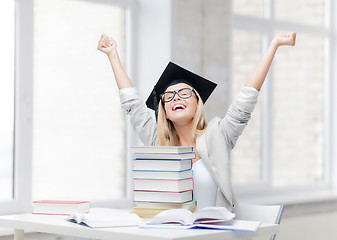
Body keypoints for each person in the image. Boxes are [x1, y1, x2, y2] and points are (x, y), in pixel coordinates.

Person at [97, 32, 296, 211]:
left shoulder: (219, 134)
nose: (176, 97)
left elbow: (246, 99)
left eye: (184, 93)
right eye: (170, 96)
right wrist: (112, 55)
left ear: (197, 103)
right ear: (164, 111)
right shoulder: (158, 141)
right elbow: (132, 105)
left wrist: (274, 45)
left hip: (214, 233)